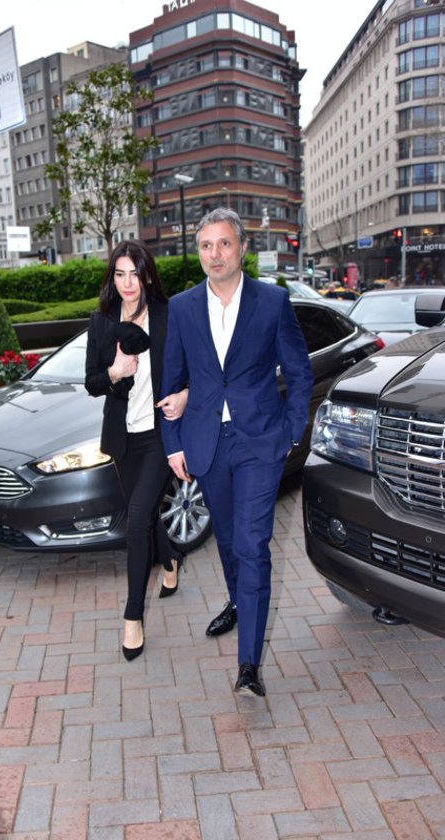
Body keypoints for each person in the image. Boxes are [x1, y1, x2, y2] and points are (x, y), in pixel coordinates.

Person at [160, 208, 313, 697]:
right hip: (207, 443)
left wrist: (291, 432)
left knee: (251, 545)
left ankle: (248, 664)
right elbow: (171, 383)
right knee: (227, 541)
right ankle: (238, 601)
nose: (215, 254)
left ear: (242, 248)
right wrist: (172, 444)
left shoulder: (272, 302)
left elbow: (299, 372)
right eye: (206, 246)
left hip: (259, 442)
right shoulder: (183, 307)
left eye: (224, 244)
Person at [85, 241, 188, 662]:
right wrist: (114, 372)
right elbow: (92, 382)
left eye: (134, 273)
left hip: (159, 435)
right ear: (112, 278)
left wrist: (184, 395)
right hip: (123, 438)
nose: (127, 283)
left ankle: (132, 618)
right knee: (143, 515)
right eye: (119, 274)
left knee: (137, 519)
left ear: (147, 275)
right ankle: (171, 560)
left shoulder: (168, 315)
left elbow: (194, 368)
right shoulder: (102, 321)